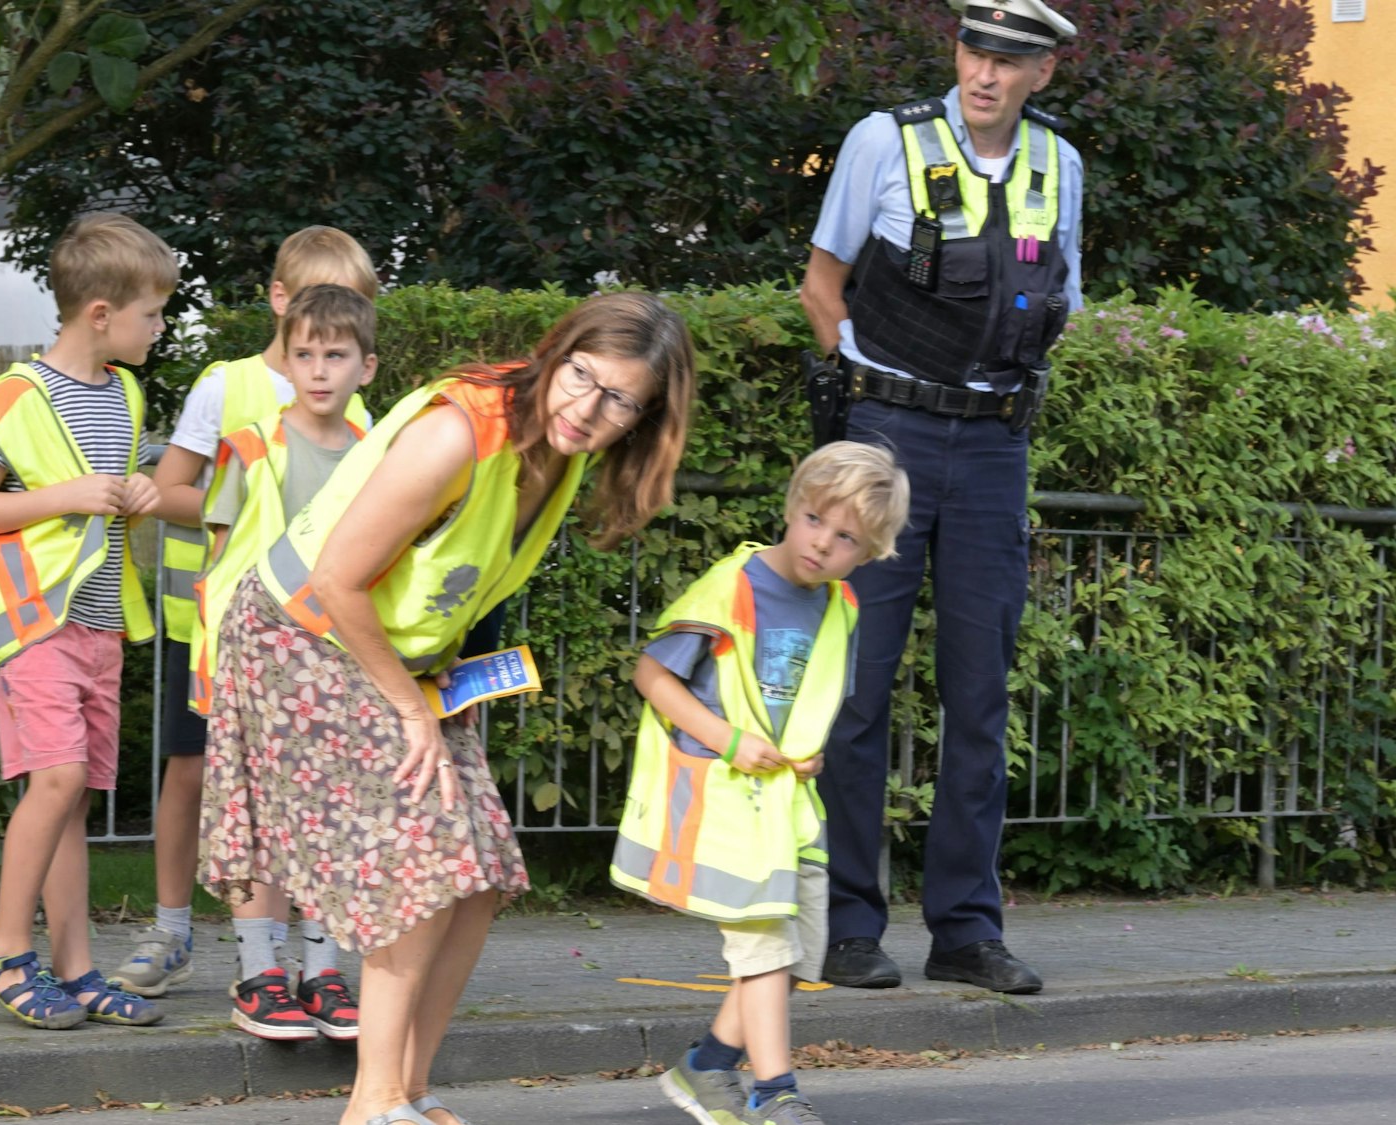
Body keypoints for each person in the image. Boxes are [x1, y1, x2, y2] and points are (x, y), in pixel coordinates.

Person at [199, 291, 695, 1125]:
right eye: (581, 377)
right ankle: (373, 1102)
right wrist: (411, 710)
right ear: (556, 354)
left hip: (401, 659)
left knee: (480, 877)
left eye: (621, 400)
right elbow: (338, 580)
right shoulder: (456, 431)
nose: (589, 408)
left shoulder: (560, 446)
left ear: (644, 417)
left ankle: (412, 1091)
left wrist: (441, 686)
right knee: (426, 869)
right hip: (303, 636)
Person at [799, 0, 1084, 995]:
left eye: (1009, 59)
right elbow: (821, 280)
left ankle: (964, 932)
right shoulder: (883, 140)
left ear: (1041, 72)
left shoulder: (1059, 165)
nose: (985, 72)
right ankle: (843, 928)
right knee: (856, 689)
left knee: (978, 696)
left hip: (994, 444)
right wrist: (861, 396)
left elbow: (1061, 299)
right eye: (973, 50)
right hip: (885, 434)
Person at [111, 228, 375, 1019]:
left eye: (354, 316)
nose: (328, 350)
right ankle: (171, 929)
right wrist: (252, 492)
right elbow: (169, 491)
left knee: (302, 793)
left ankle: (299, 959)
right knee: (195, 775)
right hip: (217, 628)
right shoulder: (226, 386)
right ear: (281, 302)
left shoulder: (357, 409)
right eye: (321, 317)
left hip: (315, 638)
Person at [615, 443, 910, 1125]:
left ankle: (708, 1064)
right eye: (815, 520)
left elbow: (812, 694)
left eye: (846, 539)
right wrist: (728, 741)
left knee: (795, 951)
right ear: (792, 505)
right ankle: (776, 1092)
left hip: (787, 804)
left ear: (865, 555)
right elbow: (652, 675)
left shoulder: (841, 606)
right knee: (765, 949)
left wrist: (804, 754)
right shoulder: (731, 586)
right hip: (728, 800)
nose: (823, 543)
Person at [0, 211, 176, 1029]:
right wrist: (73, 494)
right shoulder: (17, 395)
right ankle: (6, 950)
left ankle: (76, 971)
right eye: (154, 312)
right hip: (32, 622)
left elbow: (107, 507)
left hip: (100, 622)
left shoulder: (125, 390)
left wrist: (140, 496)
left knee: (73, 795)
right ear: (101, 313)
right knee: (57, 779)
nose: (162, 325)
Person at [190, 284, 378, 1041]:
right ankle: (259, 971)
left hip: (337, 657)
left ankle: (322, 969)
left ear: (366, 367)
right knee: (257, 814)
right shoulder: (252, 445)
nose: (320, 369)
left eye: (336, 355)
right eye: (305, 353)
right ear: (288, 359)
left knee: (332, 815)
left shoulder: (375, 457)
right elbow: (219, 552)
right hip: (260, 660)